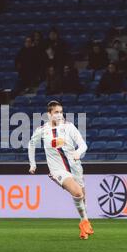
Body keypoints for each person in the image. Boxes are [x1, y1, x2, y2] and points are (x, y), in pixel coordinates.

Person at [28, 100, 93, 240]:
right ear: (49, 114)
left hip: (75, 167)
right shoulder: (42, 130)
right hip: (58, 170)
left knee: (83, 198)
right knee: (77, 193)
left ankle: (83, 223)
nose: (59, 115)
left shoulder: (69, 127)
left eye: (61, 112)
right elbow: (31, 144)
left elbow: (83, 145)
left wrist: (78, 152)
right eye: (56, 112)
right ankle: (85, 222)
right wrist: (33, 164)